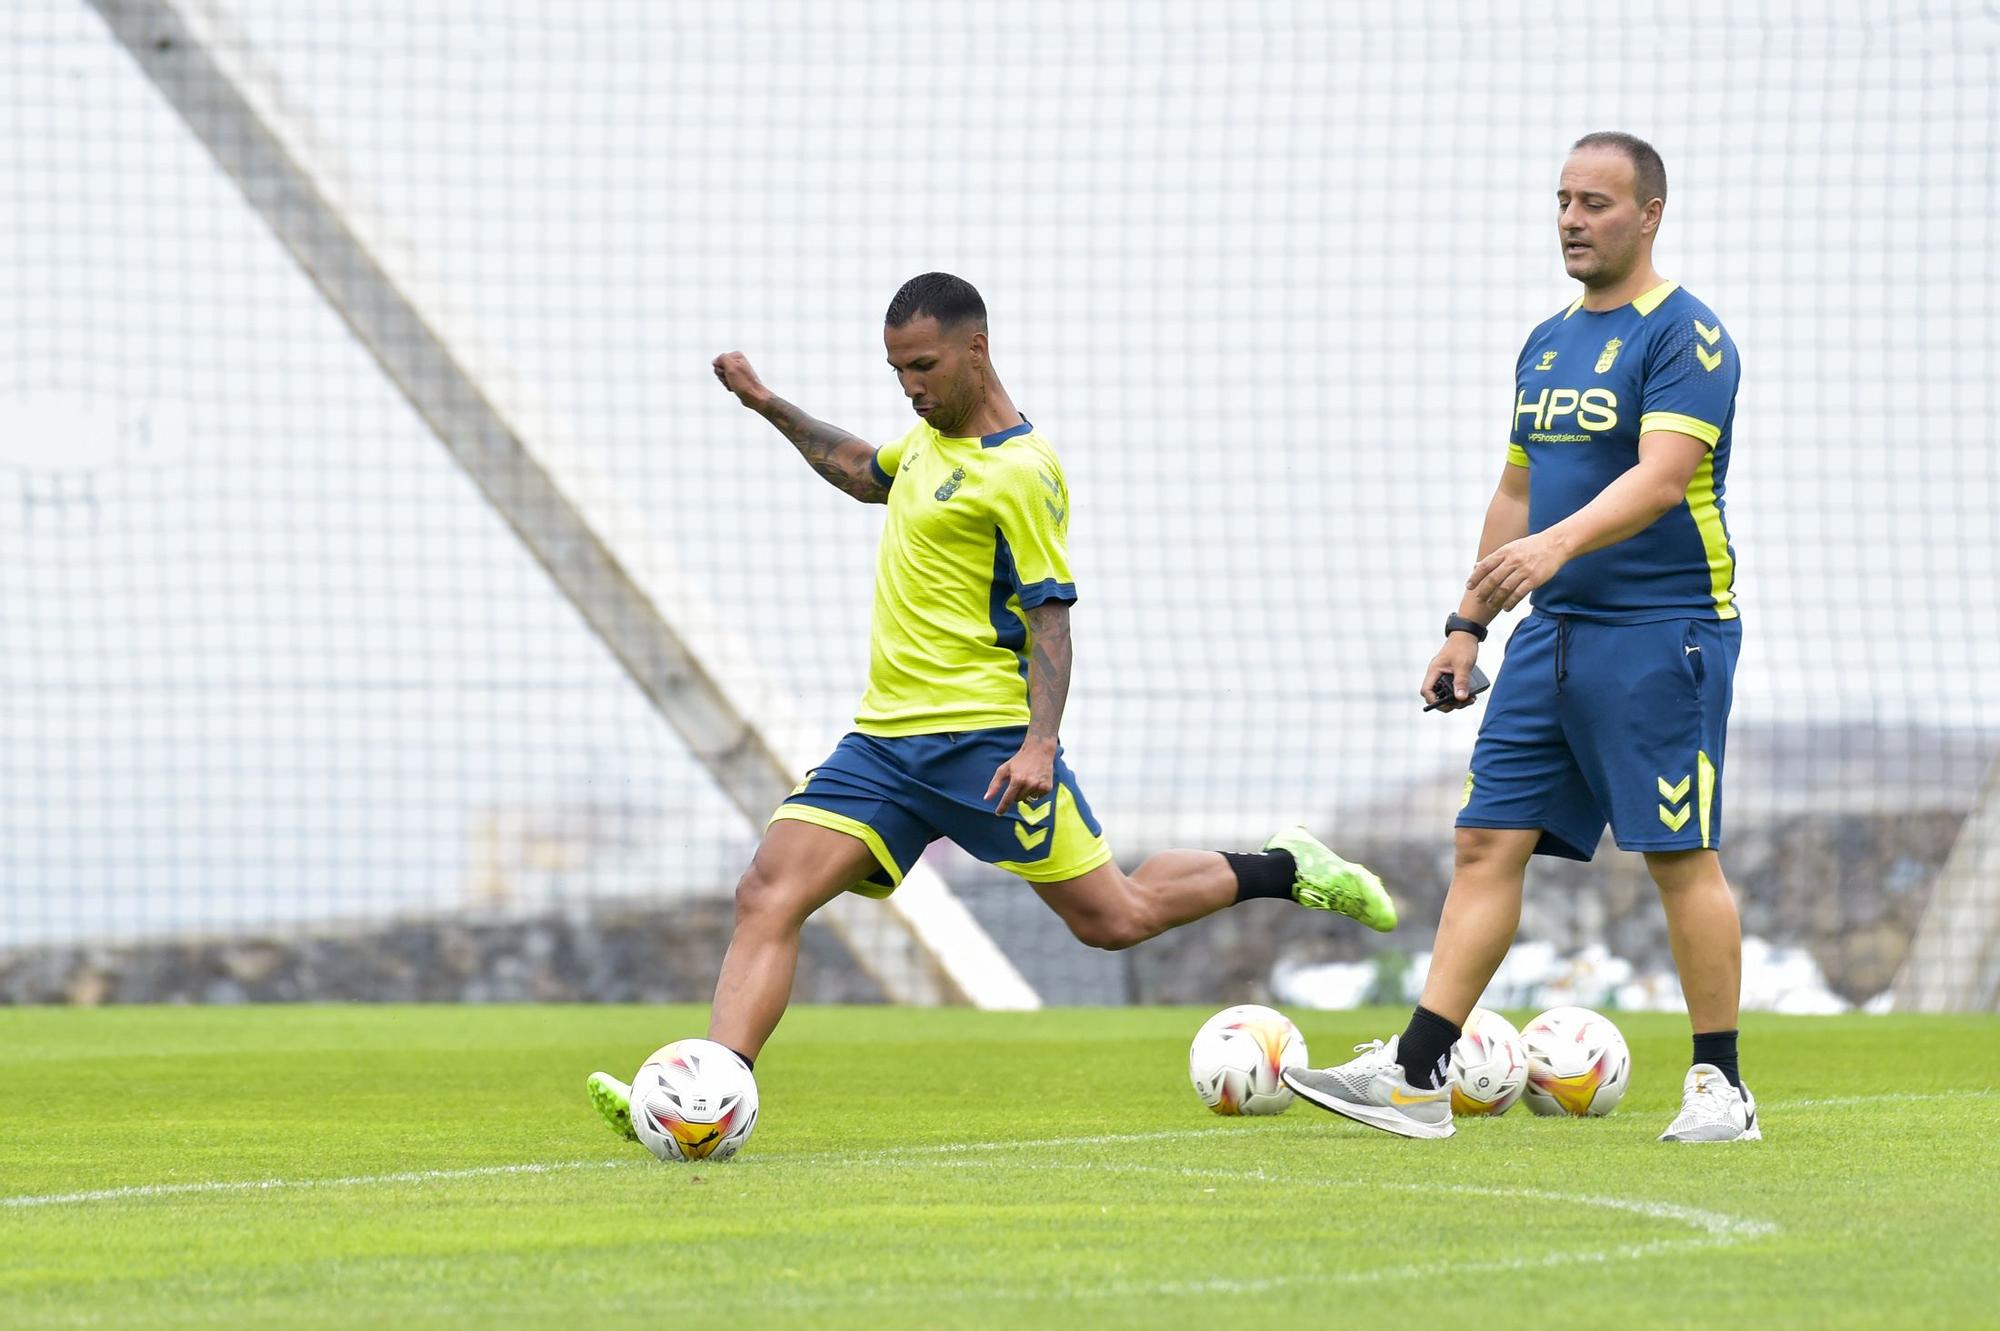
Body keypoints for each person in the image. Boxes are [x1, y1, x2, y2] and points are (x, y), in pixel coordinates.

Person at [587, 272, 1396, 1141]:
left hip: (987, 745)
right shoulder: (926, 445)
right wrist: (767, 404)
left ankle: (1286, 865)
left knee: (1112, 918)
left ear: (976, 349)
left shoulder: (1023, 471)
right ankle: (706, 1098)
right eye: (898, 370)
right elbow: (866, 473)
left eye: (924, 366)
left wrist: (1041, 742)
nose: (912, 386)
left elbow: (1052, 619)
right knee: (767, 893)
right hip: (884, 746)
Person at [1285, 133, 1758, 1142]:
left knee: (1676, 853)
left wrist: (1554, 547)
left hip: (1660, 632)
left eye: (1594, 202)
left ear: (1647, 215)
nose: (1571, 219)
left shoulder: (1686, 336)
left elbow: (1662, 476)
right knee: (1483, 838)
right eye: (1560, 201)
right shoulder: (1543, 344)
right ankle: (1415, 1075)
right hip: (1552, 636)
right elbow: (1514, 487)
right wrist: (1465, 623)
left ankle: (1720, 1086)